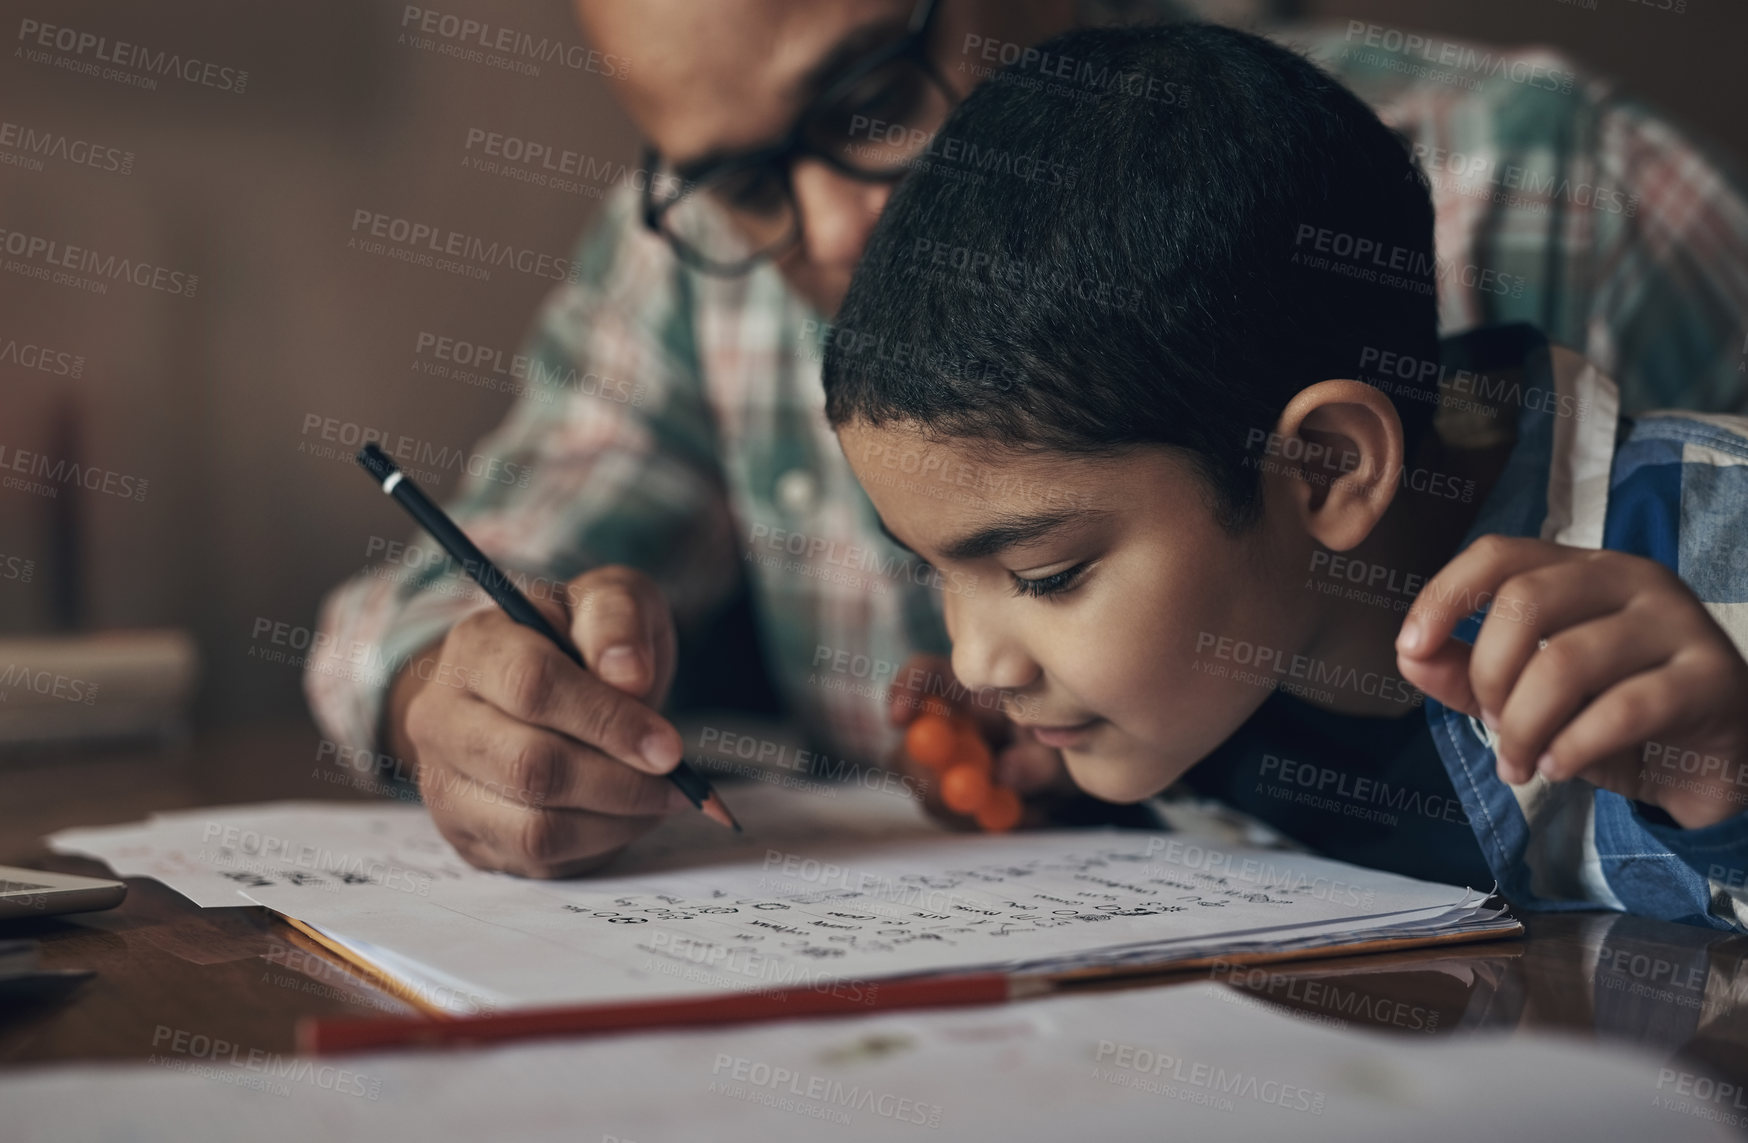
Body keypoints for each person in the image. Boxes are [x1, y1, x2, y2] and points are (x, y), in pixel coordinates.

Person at [308, 0, 1748, 879]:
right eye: (740, 180)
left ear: (1330, 469)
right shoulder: (695, 268)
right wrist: (461, 683)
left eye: (869, 95)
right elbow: (436, 588)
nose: (838, 229)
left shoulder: (1565, 181)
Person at [821, 21, 1748, 930]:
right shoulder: (1206, 676)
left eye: (1046, 575)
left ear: (1326, 467)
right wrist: (1075, 784)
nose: (978, 664)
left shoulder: (1718, 551)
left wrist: (1729, 784)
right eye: (934, 572)